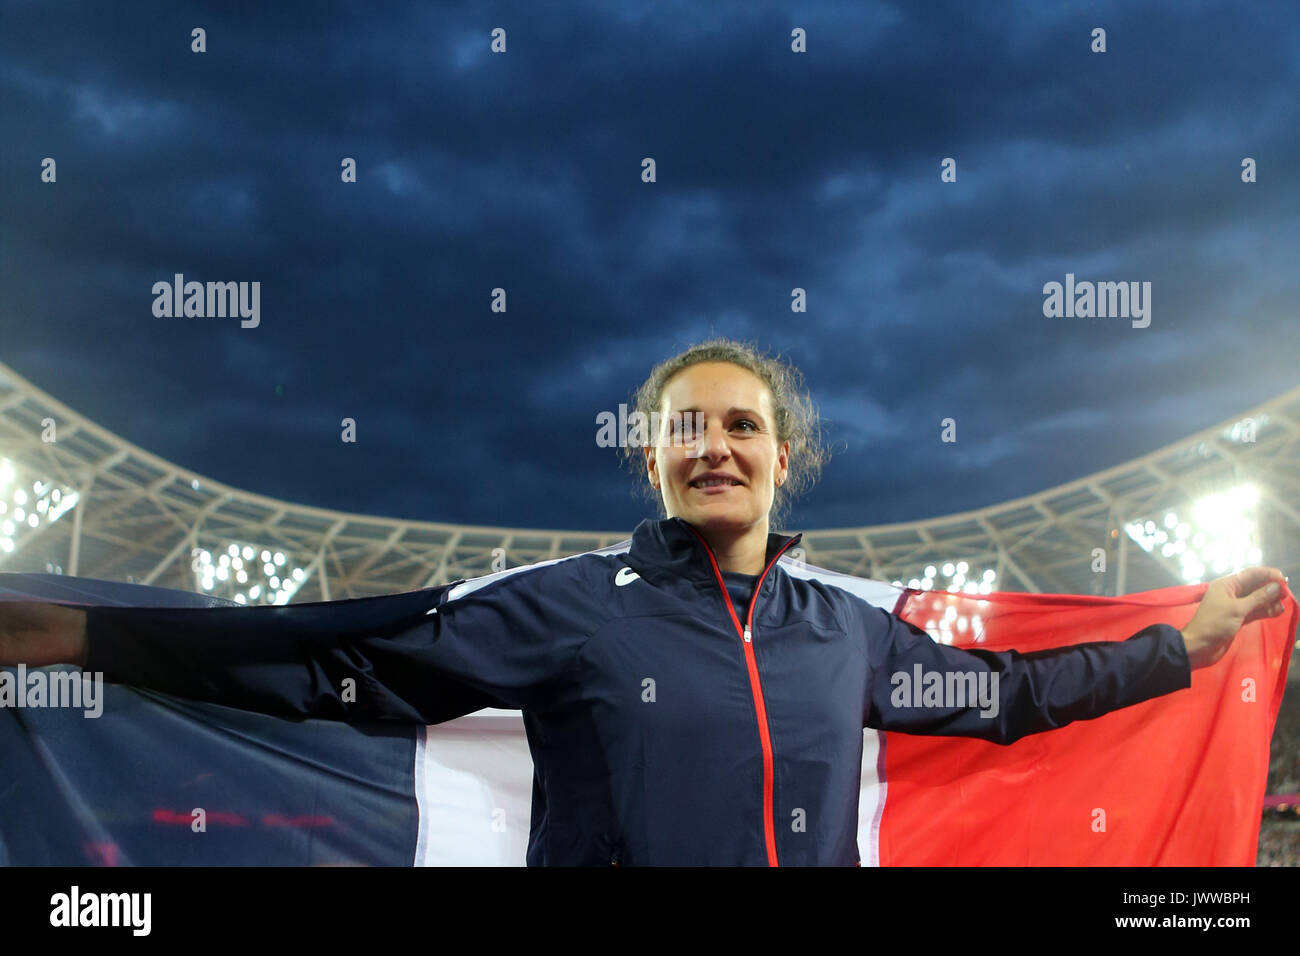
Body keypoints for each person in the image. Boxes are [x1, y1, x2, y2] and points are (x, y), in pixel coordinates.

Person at [0, 338, 1289, 865]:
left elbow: (1011, 699)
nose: (716, 448)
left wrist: (1180, 647)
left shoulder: (849, 635)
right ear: (654, 455)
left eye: (743, 426)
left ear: (787, 456)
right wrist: (90, 638)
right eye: (689, 429)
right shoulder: (571, 607)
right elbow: (335, 653)